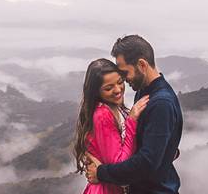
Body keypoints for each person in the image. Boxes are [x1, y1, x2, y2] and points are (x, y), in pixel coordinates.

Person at [84, 35, 183, 194]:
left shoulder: (161, 103)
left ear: (142, 65)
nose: (123, 79)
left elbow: (146, 163)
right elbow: (146, 145)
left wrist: (100, 173)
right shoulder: (144, 92)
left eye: (125, 73)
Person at [73, 58, 151, 194]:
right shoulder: (102, 115)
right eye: (108, 88)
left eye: (120, 82)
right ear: (96, 92)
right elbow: (119, 164)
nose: (117, 90)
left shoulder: (115, 108)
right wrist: (132, 120)